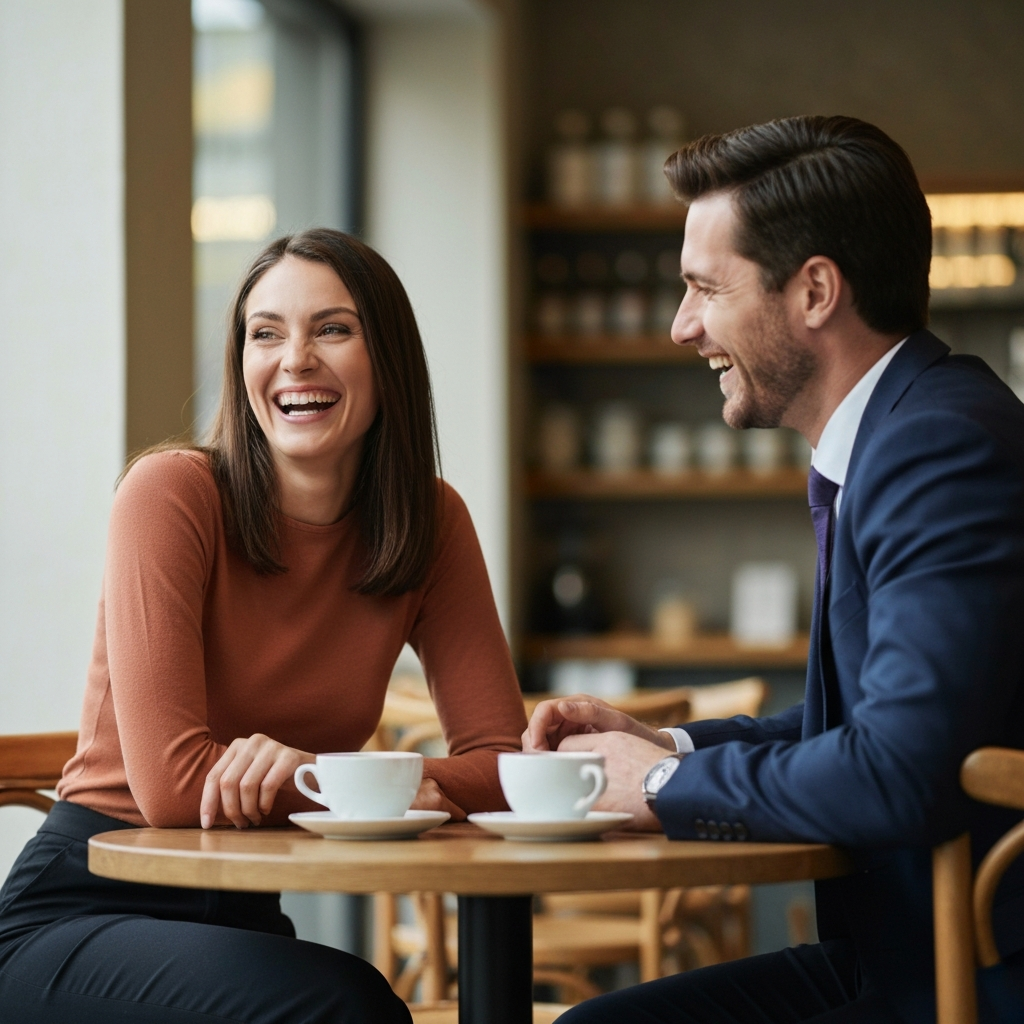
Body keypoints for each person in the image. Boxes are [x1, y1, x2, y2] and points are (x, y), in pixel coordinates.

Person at [525, 116, 1024, 1023]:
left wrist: (659, 788)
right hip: (902, 954)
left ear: (816, 292)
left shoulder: (935, 446)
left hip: (965, 980)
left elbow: (899, 770)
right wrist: (665, 747)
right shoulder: (903, 431)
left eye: (705, 289)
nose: (683, 328)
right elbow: (859, 727)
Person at [0, 229, 528, 1023]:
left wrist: (371, 781)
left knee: (349, 1001)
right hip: (79, 914)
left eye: (333, 329)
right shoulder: (170, 494)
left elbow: (503, 766)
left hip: (234, 914)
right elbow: (174, 789)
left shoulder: (431, 521)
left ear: (388, 358)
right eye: (266, 333)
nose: (296, 359)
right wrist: (361, 784)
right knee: (347, 1004)